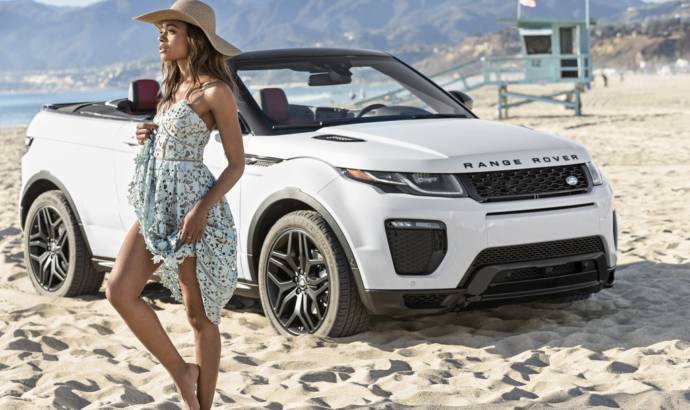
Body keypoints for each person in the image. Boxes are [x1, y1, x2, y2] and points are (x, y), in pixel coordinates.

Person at [105, 1, 245, 409]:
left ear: (194, 38)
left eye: (170, 31)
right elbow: (172, 142)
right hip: (157, 206)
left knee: (199, 317)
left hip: (192, 209)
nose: (161, 38)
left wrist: (200, 209)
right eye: (160, 31)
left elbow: (237, 165)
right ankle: (182, 372)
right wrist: (150, 131)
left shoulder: (215, 91)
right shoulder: (171, 91)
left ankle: (201, 405)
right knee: (118, 290)